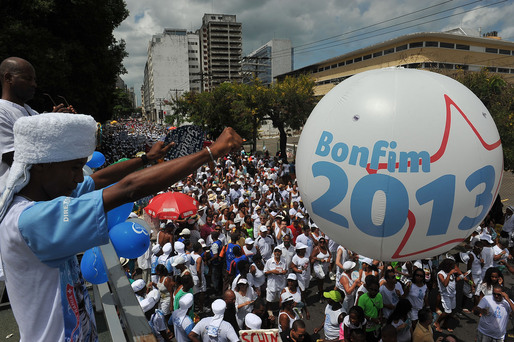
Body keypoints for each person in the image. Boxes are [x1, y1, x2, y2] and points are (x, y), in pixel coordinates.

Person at [0, 113, 242, 341]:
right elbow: (128, 189)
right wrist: (210, 153)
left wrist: (145, 159)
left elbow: (99, 179)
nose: (78, 178)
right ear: (41, 164)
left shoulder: (45, 196)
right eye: (74, 168)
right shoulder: (32, 220)